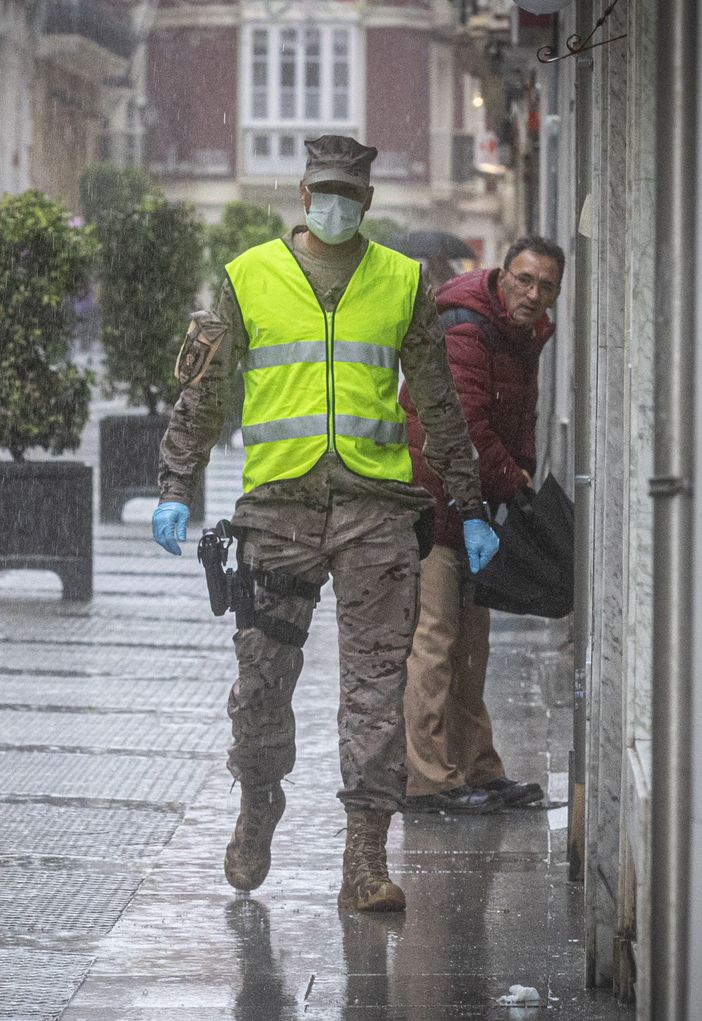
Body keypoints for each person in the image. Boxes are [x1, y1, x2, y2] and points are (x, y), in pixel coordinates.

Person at [152, 135, 498, 912]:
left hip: (377, 513)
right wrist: (177, 481)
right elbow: (205, 392)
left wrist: (468, 502)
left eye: (350, 193)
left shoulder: (402, 281)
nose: (336, 204)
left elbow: (438, 402)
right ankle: (259, 797)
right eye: (324, 191)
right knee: (261, 685)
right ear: (304, 197)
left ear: (365, 202)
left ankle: (365, 856)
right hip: (277, 513)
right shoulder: (251, 277)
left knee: (377, 691)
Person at [398, 235, 563, 814]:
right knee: (436, 642)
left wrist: (517, 471)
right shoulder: (467, 326)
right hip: (435, 504)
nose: (532, 293)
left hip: (474, 508)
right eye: (523, 279)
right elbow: (461, 424)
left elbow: (519, 418)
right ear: (501, 275)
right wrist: (513, 482)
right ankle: (428, 779)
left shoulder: (523, 335)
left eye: (545, 286)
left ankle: (476, 768)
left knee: (472, 646)